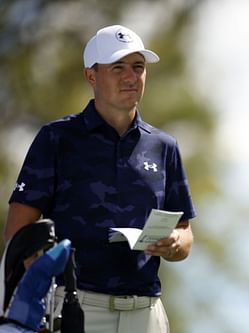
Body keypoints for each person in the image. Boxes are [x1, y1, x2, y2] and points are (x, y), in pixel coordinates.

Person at [3, 24, 196, 333]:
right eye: (118, 67)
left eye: (138, 67)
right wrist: (37, 300)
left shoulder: (164, 147)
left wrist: (174, 243)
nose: (131, 77)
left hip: (146, 313)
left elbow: (185, 231)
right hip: (73, 309)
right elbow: (19, 231)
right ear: (91, 76)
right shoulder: (57, 139)